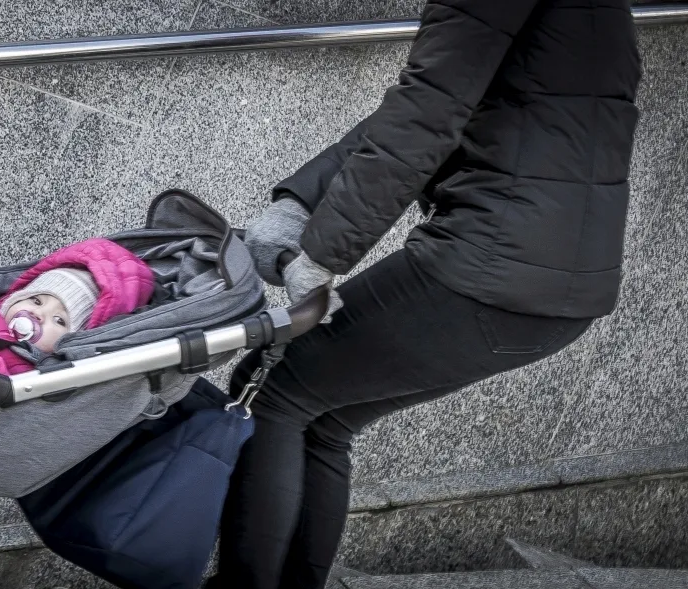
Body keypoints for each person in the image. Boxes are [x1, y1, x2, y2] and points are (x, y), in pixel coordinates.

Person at [209, 0, 643, 587]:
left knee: (273, 391)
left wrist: (322, 253)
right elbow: (437, 107)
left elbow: (427, 111)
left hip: (486, 268)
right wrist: (300, 203)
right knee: (325, 419)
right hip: (569, 285)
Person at [0, 237, 155, 374]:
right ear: (15, 298)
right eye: (36, 300)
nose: (39, 314)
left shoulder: (34, 373)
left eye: (59, 320)